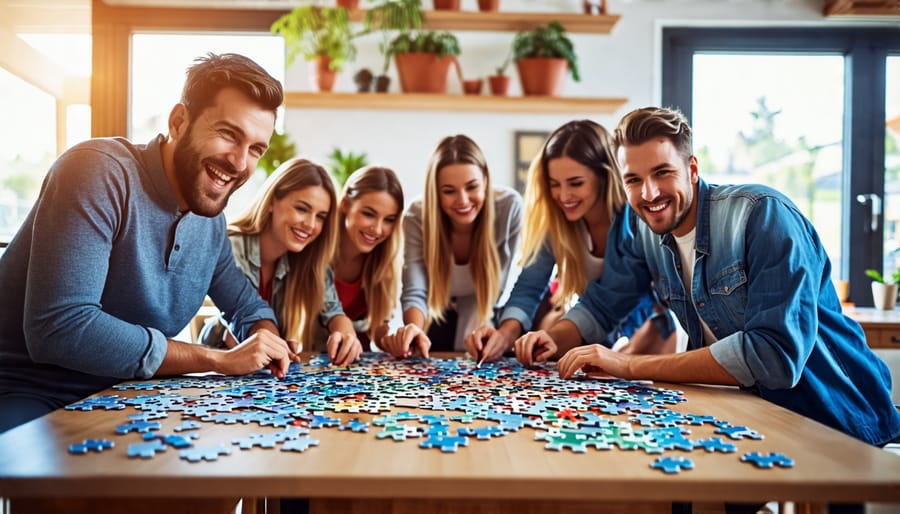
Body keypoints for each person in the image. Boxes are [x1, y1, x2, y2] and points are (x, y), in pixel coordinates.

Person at [515, 106, 900, 450]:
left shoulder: (763, 216)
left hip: (836, 417)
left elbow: (774, 358)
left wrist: (628, 365)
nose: (648, 193)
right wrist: (552, 338)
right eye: (633, 180)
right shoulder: (643, 228)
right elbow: (605, 302)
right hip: (747, 413)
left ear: (693, 169)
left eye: (662, 173)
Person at [0, 53, 295, 433]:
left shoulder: (211, 223)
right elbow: (60, 327)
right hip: (27, 393)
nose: (240, 162)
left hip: (130, 398)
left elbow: (247, 306)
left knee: (216, 482)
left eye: (256, 149)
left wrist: (264, 338)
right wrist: (216, 359)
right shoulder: (97, 171)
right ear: (178, 121)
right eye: (228, 134)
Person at [465, 120, 678, 364]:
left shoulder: (633, 219)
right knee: (553, 332)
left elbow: (613, 297)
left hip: (648, 327)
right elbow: (530, 286)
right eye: (554, 184)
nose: (564, 196)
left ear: (605, 177)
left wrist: (555, 337)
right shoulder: (558, 222)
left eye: (576, 183)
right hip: (595, 323)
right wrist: (503, 335)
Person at [381, 135, 523, 357]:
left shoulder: (509, 207)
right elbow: (415, 290)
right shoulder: (416, 216)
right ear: (435, 192)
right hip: (437, 310)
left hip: (488, 307)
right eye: (449, 191)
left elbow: (503, 287)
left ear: (485, 180)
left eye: (472, 186)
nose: (463, 200)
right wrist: (414, 329)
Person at [219, 157, 363, 366]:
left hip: (272, 375)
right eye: (302, 209)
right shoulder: (232, 246)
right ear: (272, 202)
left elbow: (334, 312)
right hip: (223, 365)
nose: (311, 225)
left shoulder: (309, 258)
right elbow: (236, 328)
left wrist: (344, 332)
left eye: (321, 216)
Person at [328, 166, 404, 352]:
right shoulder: (317, 254)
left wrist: (394, 341)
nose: (378, 229)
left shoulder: (382, 264)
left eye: (388, 220)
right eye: (369, 214)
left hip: (354, 369)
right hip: (310, 362)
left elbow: (377, 334)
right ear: (345, 204)